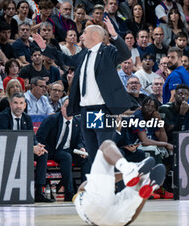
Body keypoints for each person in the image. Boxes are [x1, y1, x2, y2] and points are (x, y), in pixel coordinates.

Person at [56, 18, 132, 165]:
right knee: (93, 156)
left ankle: (112, 185)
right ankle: (98, 186)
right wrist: (45, 48)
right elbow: (65, 59)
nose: (81, 36)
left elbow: (125, 55)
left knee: (104, 153)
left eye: (84, 32)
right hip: (85, 111)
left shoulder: (107, 51)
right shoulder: (83, 54)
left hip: (102, 110)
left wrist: (114, 35)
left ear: (95, 36)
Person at [73, 140, 166, 226]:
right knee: (106, 145)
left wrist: (143, 196)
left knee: (138, 185)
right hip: (113, 216)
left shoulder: (82, 199)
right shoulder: (82, 197)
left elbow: (130, 220)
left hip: (111, 219)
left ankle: (144, 181)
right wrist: (125, 173)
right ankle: (132, 172)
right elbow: (87, 184)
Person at [0, 92, 52, 202]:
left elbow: (32, 137)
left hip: (22, 151)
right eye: (15, 103)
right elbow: (6, 141)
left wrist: (37, 146)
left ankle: (38, 192)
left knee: (43, 153)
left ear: (25, 105)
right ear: (10, 104)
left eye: (21, 103)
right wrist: (30, 148)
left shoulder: (26, 118)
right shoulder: (2, 118)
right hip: (4, 152)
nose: (18, 106)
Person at [37, 97, 90, 201]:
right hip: (52, 151)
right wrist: (43, 148)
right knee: (66, 157)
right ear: (62, 108)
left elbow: (79, 140)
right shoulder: (52, 120)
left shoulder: (77, 121)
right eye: (67, 107)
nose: (69, 110)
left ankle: (84, 192)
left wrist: (81, 148)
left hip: (69, 150)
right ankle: (69, 193)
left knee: (86, 158)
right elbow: (40, 137)